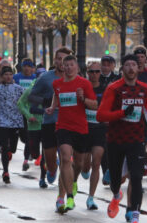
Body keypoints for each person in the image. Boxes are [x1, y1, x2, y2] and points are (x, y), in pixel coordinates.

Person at [96, 53, 147, 223]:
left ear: (138, 69)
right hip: (115, 141)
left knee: (137, 177)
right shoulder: (114, 88)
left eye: (134, 65)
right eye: (127, 65)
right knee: (115, 181)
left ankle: (135, 216)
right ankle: (116, 196)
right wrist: (121, 113)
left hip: (136, 141)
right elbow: (101, 115)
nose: (131, 68)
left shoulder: (144, 89)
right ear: (122, 69)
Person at [46, 56, 97, 212]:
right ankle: (67, 197)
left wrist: (83, 99)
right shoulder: (57, 84)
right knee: (66, 159)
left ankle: (73, 181)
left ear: (77, 67)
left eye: (71, 65)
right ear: (62, 67)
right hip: (63, 126)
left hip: (80, 128)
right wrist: (52, 106)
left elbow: (94, 105)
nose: (68, 68)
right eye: (65, 65)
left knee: (79, 164)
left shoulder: (84, 83)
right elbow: (56, 94)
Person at [28, 48, 70, 187]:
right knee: (50, 161)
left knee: (66, 158)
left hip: (68, 123)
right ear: (55, 60)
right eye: (59, 58)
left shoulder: (77, 78)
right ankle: (51, 169)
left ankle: (66, 193)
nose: (61, 62)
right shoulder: (46, 78)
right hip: (49, 122)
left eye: (64, 59)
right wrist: (46, 102)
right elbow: (32, 96)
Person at [0, 65, 26, 184]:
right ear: (1, 76)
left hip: (16, 121)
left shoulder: (19, 88)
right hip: (3, 121)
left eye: (10, 74)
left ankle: (9, 153)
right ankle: (5, 171)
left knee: (13, 148)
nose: (8, 77)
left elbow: (27, 98)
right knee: (5, 147)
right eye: (6, 74)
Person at [82, 62, 108, 210]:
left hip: (99, 128)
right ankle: (82, 171)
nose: (94, 74)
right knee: (84, 165)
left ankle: (91, 197)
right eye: (91, 71)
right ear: (87, 72)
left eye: (97, 72)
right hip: (84, 128)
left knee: (96, 162)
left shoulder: (105, 89)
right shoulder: (82, 87)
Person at [17, 75, 47, 187]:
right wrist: (29, 116)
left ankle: (43, 178)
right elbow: (20, 103)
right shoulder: (30, 90)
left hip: (46, 125)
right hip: (33, 126)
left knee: (46, 153)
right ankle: (35, 157)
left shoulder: (50, 90)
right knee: (35, 154)